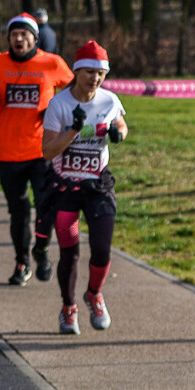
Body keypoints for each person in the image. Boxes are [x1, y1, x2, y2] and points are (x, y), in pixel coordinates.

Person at [41, 41, 127, 335]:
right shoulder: (59, 104)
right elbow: (48, 152)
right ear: (77, 72)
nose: (95, 78)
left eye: (101, 73)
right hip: (65, 188)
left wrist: (119, 134)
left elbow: (122, 124)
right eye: (89, 72)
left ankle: (94, 294)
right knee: (70, 252)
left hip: (98, 185)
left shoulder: (109, 100)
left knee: (102, 248)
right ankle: (68, 307)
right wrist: (74, 131)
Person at [0, 13, 75, 286]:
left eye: (25, 34)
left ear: (35, 39)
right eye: (14, 34)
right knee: (18, 213)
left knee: (46, 208)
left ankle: (41, 250)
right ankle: (22, 262)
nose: (19, 39)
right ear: (8, 38)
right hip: (8, 153)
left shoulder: (52, 63)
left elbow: (75, 90)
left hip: (43, 152)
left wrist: (58, 113)